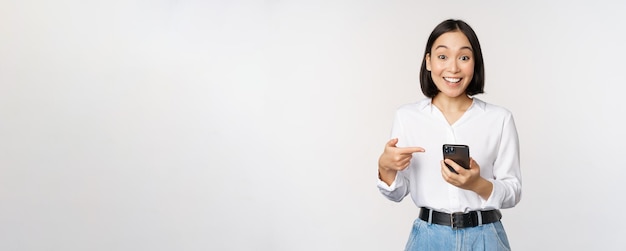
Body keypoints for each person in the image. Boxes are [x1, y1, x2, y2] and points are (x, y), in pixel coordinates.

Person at [377, 19, 522, 251]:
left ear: (475, 63)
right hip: (428, 238)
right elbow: (397, 193)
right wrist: (385, 168)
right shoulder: (407, 117)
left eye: (464, 57)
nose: (453, 68)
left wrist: (478, 184)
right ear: (428, 62)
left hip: (486, 238)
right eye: (442, 56)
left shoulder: (499, 119)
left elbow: (513, 191)